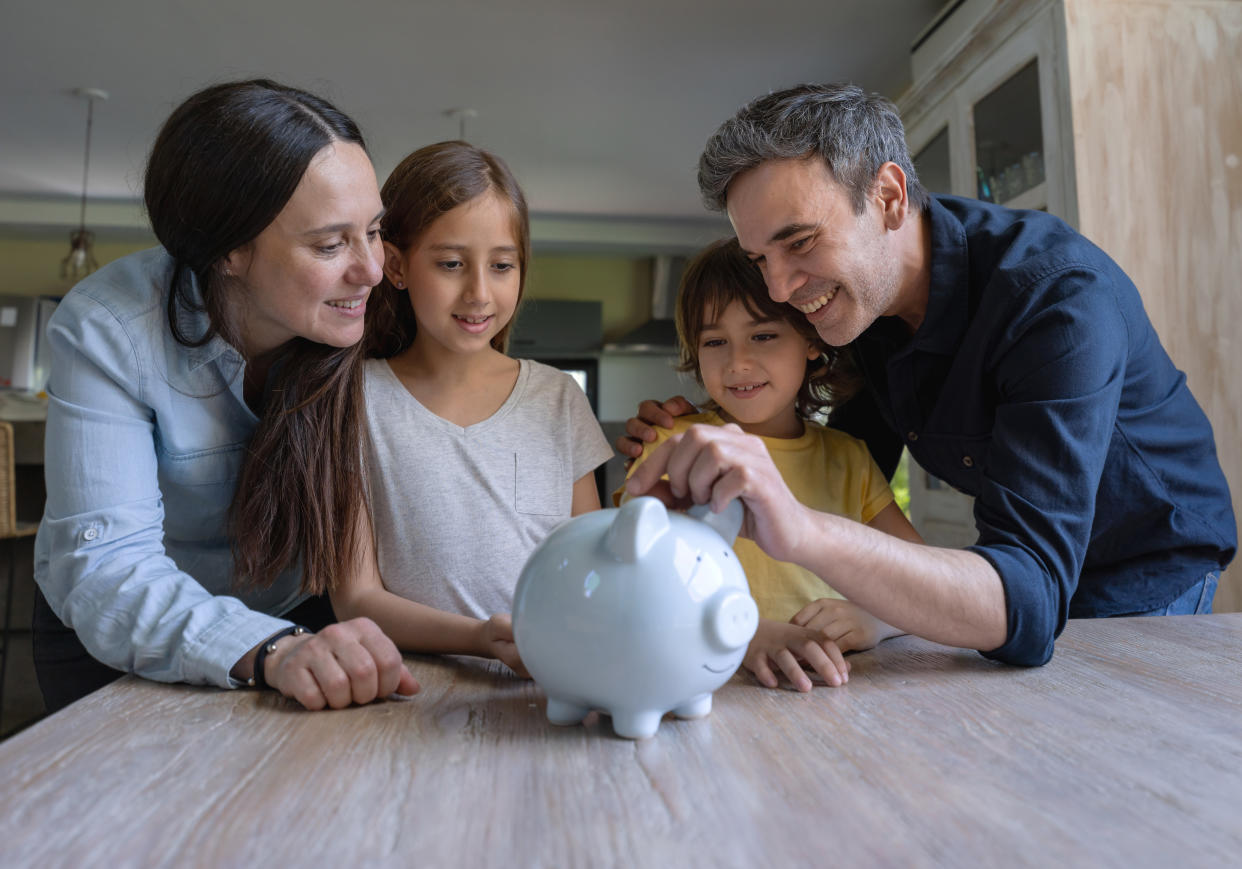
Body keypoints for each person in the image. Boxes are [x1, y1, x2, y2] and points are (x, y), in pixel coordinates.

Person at [621, 83, 1235, 667]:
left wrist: (810, 536)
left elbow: (1028, 600)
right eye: (760, 259)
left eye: (801, 242)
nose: (778, 288)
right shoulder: (857, 303)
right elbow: (843, 463)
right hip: (1023, 571)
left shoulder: (1053, 298)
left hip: (1142, 557)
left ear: (888, 197)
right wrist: (707, 431)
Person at [33, 79, 418, 713]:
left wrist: (643, 456)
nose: (371, 270)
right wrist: (272, 649)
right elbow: (107, 570)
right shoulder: (110, 327)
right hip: (119, 632)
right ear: (228, 251)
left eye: (373, 231)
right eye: (329, 244)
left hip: (303, 624)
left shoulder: (368, 310)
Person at [328, 141, 613, 674]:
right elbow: (355, 599)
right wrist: (482, 638)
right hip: (409, 694)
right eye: (452, 263)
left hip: (553, 685)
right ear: (395, 265)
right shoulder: (353, 403)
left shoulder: (558, 399)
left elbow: (590, 567)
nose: (480, 293)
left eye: (502, 265)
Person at [619, 237, 922, 691]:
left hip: (832, 691)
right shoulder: (674, 443)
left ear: (811, 341)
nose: (738, 362)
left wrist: (876, 620)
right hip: (702, 689)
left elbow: (922, 579)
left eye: (763, 335)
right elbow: (631, 582)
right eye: (715, 341)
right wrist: (742, 633)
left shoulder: (848, 457)